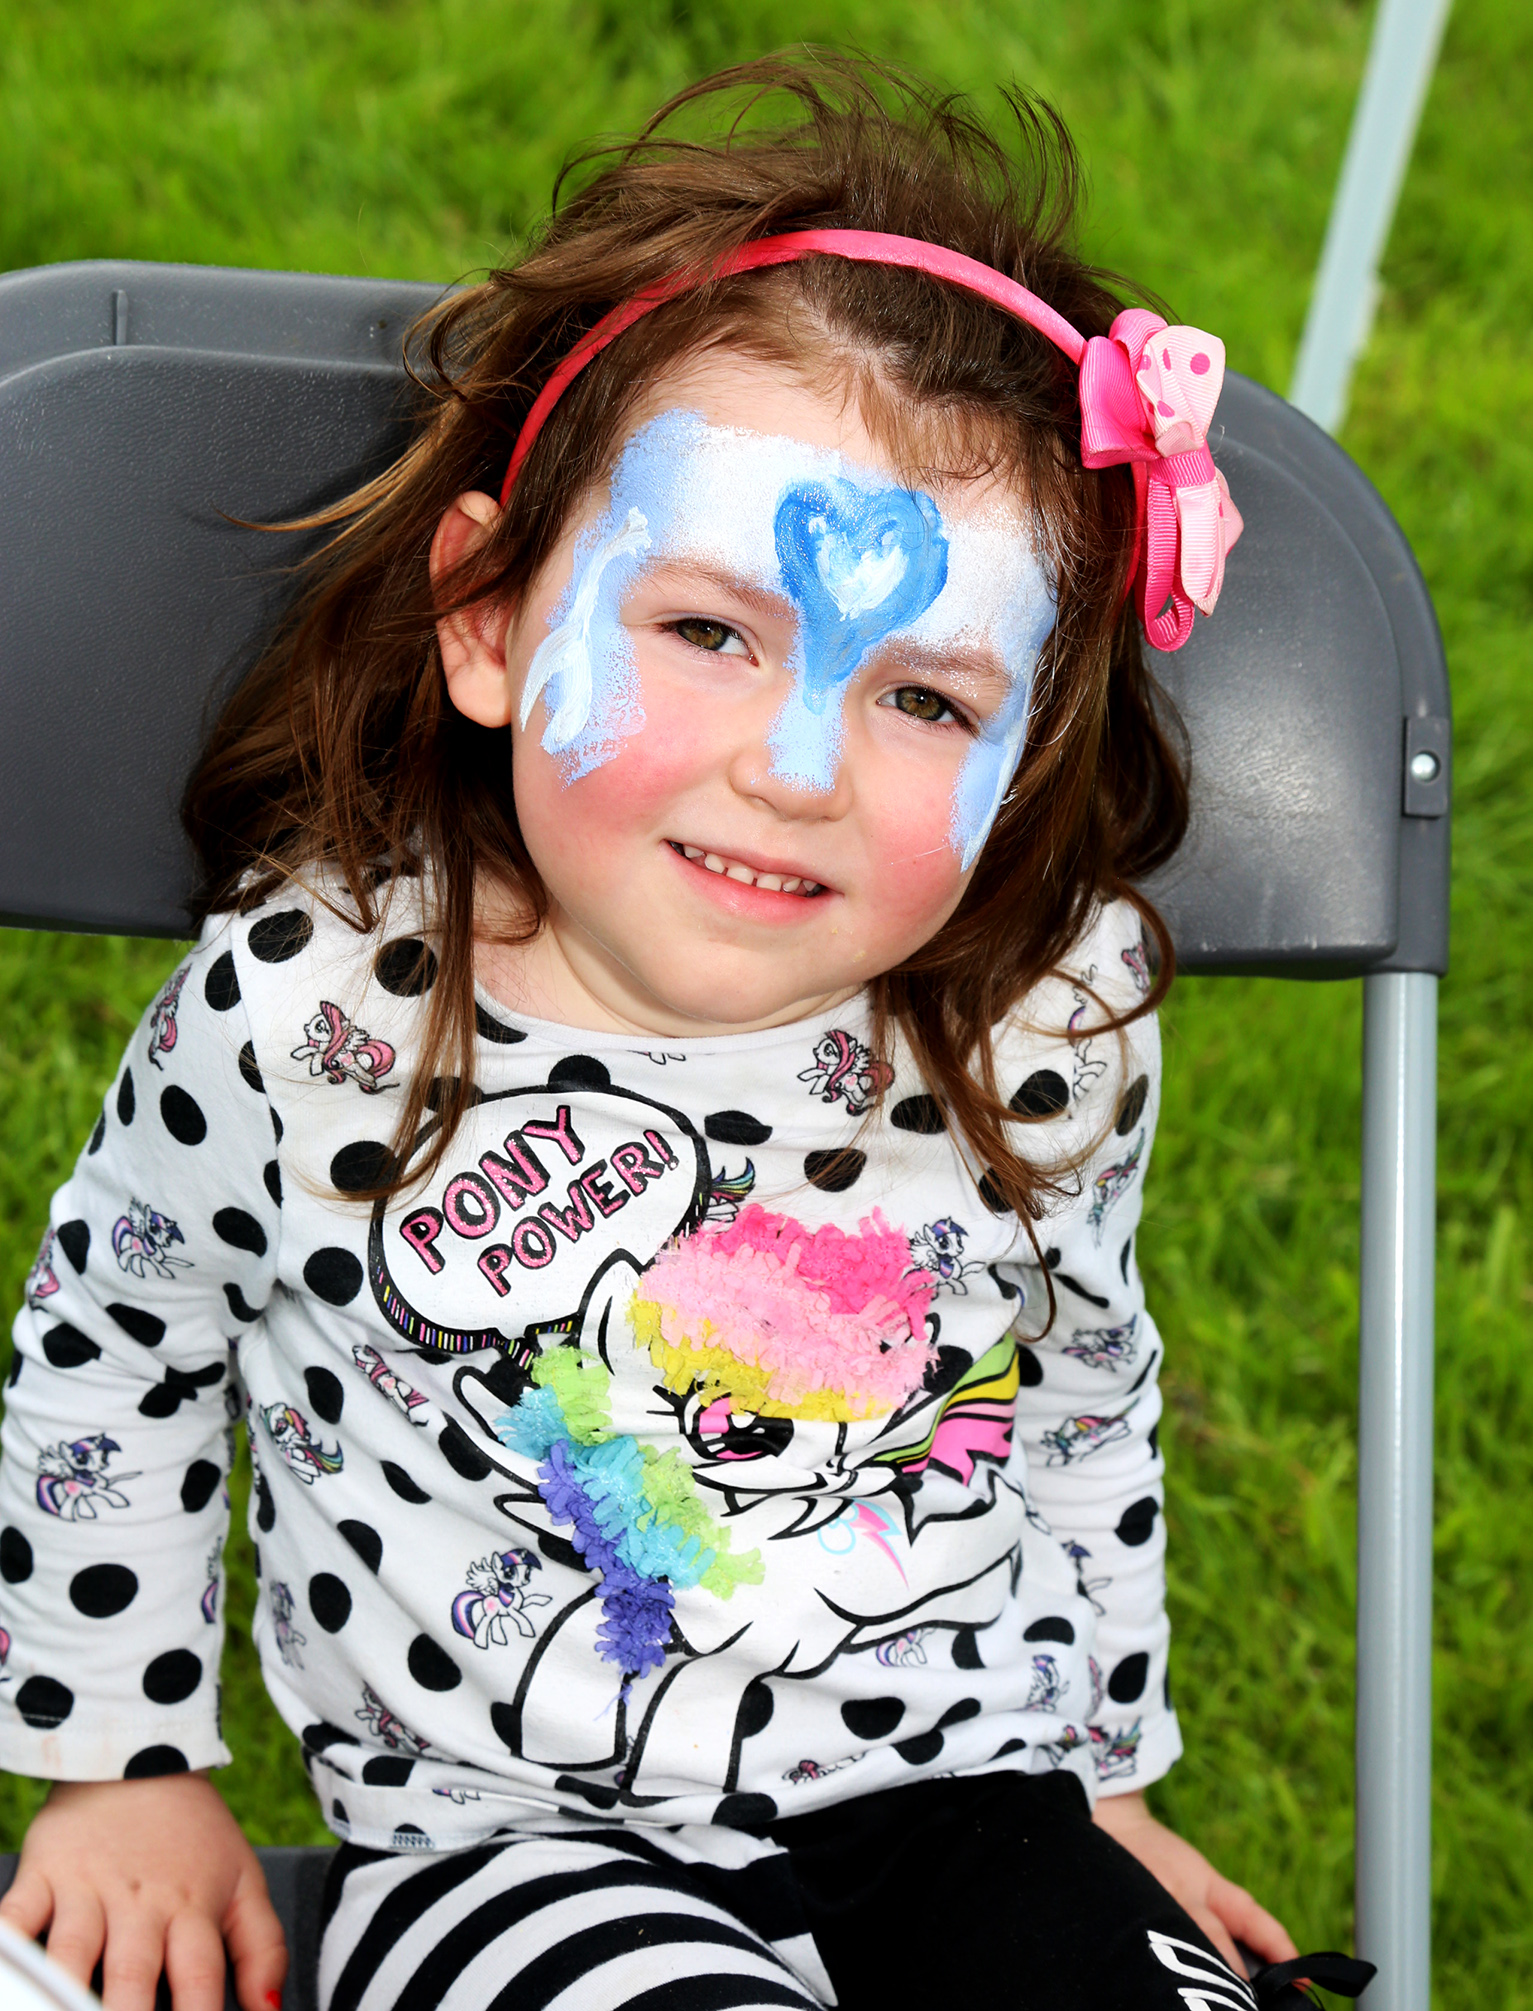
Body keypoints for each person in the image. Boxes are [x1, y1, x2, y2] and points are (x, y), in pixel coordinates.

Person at [0, 54, 1298, 2011]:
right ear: (488, 616)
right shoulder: (313, 1019)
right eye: (708, 632)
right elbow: (117, 1349)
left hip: (969, 1794)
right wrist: (118, 1765)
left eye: (924, 701)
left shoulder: (1036, 1012)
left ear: (1026, 748)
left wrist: (1101, 1778)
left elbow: (1079, 1395)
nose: (797, 768)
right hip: (505, 1849)